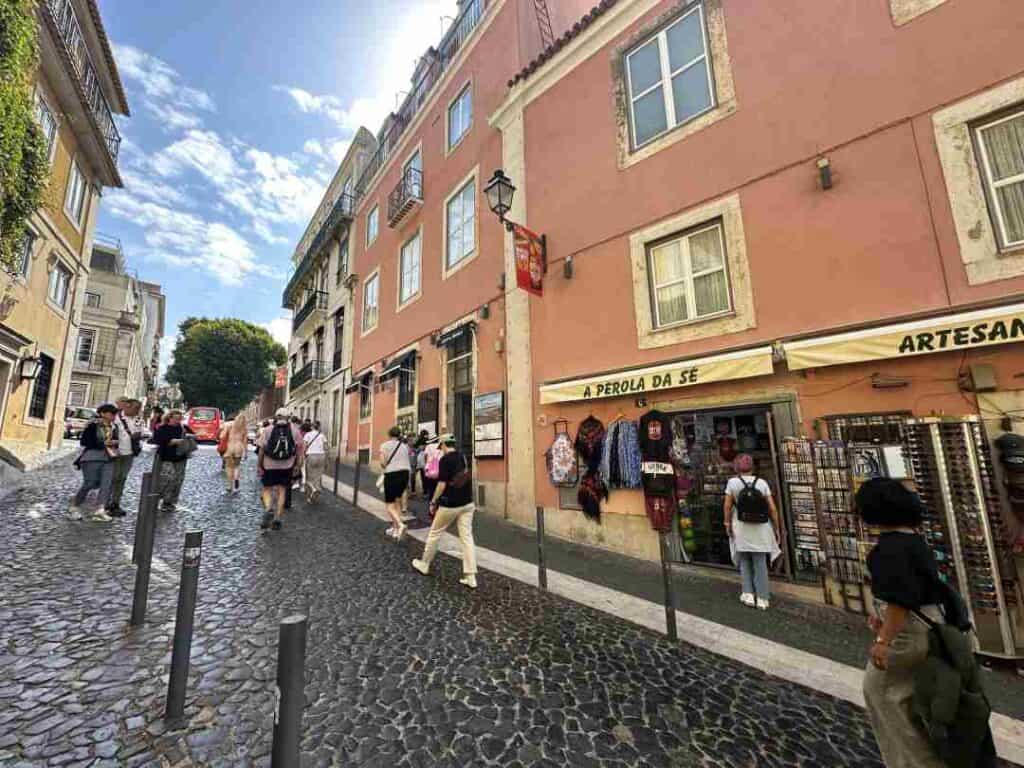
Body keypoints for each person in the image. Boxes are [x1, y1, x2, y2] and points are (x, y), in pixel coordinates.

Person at [857, 478, 992, 768]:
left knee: (883, 696)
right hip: (932, 629)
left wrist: (883, 640)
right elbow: (918, 591)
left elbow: (900, 600)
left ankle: (916, 762)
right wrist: (882, 618)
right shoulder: (915, 542)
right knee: (912, 699)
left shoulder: (889, 549)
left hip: (908, 636)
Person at [412, 433, 477, 588]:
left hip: (450, 504)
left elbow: (441, 485)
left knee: (435, 533)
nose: (440, 449)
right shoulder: (463, 457)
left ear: (444, 445)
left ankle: (425, 563)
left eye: (441, 446)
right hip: (467, 503)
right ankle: (470, 576)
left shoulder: (445, 459)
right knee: (467, 538)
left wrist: (433, 501)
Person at [723, 454, 781, 610]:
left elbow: (728, 506)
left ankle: (748, 594)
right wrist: (777, 527)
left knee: (744, 560)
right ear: (752, 467)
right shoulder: (762, 483)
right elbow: (772, 508)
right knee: (760, 562)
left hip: (741, 527)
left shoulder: (732, 483)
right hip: (760, 527)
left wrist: (727, 523)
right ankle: (762, 598)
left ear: (736, 467)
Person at [68, 403, 119, 522]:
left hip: (109, 458)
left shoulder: (114, 427)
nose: (113, 416)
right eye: (111, 413)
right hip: (92, 457)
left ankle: (99, 510)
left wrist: (115, 442)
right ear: (102, 413)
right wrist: (103, 444)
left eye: (114, 414)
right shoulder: (93, 425)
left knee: (107, 484)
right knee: (89, 484)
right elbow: (85, 441)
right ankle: (73, 507)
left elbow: (117, 441)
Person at [258, 408, 305, 530]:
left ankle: (268, 509)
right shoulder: (295, 431)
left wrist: (259, 465)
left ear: (276, 417)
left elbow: (261, 449)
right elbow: (300, 451)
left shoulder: (267, 430)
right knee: (282, 491)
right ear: (288, 417)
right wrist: (298, 466)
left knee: (267, 489)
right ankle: (277, 518)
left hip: (269, 465)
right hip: (287, 466)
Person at [152, 410, 195, 513]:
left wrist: (189, 437)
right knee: (168, 479)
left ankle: (169, 502)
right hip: (166, 457)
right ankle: (158, 498)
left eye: (179, 419)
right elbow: (157, 440)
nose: (177, 421)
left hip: (180, 457)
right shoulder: (162, 428)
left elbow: (194, 435)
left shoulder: (183, 428)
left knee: (178, 480)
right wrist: (172, 441)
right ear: (169, 418)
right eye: (175, 418)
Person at [107, 398, 143, 517]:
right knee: (113, 478)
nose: (137, 411)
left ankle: (115, 503)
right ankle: (105, 502)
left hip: (129, 453)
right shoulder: (116, 417)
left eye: (138, 409)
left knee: (122, 478)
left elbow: (140, 432)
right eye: (135, 408)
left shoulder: (138, 419)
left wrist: (138, 435)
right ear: (127, 406)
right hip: (116, 452)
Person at [379, 426, 411, 539]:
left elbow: (383, 463)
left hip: (392, 474)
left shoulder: (384, 445)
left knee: (389, 505)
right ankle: (395, 528)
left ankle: (401, 525)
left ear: (389, 435)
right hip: (405, 474)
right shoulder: (404, 446)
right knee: (397, 501)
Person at [221, 413, 248, 493]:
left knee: (229, 467)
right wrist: (246, 453)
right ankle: (236, 481)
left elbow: (222, 436)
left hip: (230, 446)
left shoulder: (229, 425)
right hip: (239, 447)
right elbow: (245, 442)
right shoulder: (244, 428)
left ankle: (230, 486)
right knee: (236, 467)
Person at [302, 420, 326, 503]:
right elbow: (326, 447)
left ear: (312, 426)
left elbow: (304, 447)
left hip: (311, 456)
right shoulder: (322, 435)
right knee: (317, 477)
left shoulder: (307, 435)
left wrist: (303, 456)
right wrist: (327, 460)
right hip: (321, 456)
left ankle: (313, 489)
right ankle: (313, 497)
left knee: (309, 477)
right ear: (319, 427)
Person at [421, 435, 441, 520]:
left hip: (429, 472)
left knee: (431, 492)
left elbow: (425, 458)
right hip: (439, 471)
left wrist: (427, 464)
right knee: (439, 492)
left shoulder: (428, 447)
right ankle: (439, 510)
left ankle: (431, 511)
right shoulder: (440, 446)